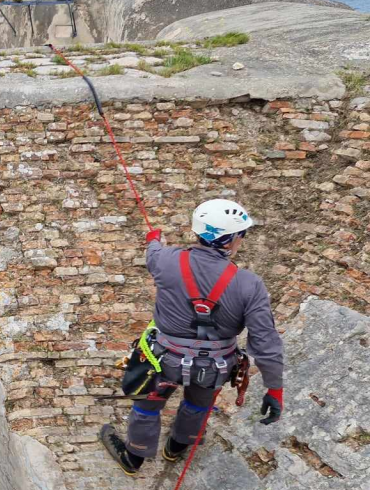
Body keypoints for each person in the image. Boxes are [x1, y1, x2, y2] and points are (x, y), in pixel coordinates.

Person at [101, 199, 285, 475]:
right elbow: (266, 343)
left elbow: (153, 251)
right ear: (231, 239)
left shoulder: (165, 260)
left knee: (147, 405)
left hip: (162, 359)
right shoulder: (249, 284)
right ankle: (176, 447)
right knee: (197, 405)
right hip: (214, 366)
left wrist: (154, 239)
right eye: (242, 234)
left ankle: (134, 457)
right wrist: (274, 390)